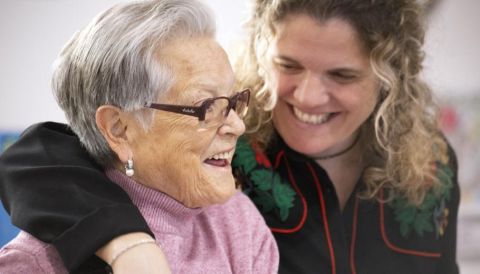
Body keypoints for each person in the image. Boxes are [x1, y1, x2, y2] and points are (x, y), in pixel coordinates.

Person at [0, 0, 459, 273]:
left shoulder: (433, 166)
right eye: (289, 66)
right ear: (263, 54)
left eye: (341, 74)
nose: (309, 94)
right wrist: (129, 243)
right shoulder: (228, 145)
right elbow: (41, 156)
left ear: (388, 79)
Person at [0, 0, 280, 273]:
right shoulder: (36, 263)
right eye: (205, 107)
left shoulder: (237, 222)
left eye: (232, 100)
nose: (236, 126)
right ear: (119, 129)